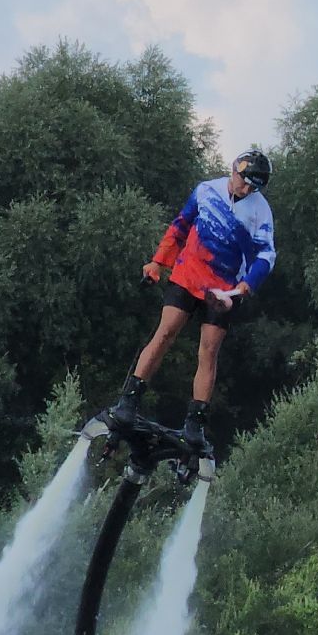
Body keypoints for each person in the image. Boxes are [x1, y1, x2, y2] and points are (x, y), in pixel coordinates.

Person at [106, 149, 275, 452]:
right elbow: (180, 226)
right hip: (188, 274)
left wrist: (245, 287)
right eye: (245, 182)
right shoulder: (206, 190)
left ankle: (195, 422)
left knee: (209, 351)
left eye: (254, 187)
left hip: (223, 289)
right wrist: (158, 262)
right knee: (166, 331)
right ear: (234, 171)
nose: (247, 190)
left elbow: (266, 255)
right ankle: (129, 399)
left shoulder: (260, 211)